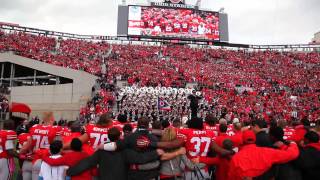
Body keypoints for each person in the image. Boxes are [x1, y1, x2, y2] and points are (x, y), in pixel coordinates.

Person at [67, 127, 162, 180]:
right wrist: (156, 153)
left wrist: (71, 171)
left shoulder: (102, 150)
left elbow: (88, 162)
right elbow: (140, 158)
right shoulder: (125, 150)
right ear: (120, 136)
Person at [228, 130, 299, 180]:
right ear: (255, 139)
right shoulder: (267, 152)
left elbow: (231, 177)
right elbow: (292, 154)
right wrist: (293, 144)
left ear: (242, 141)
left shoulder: (235, 158)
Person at [20, 112, 62, 180]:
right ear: (52, 119)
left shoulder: (34, 127)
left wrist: (19, 153)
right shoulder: (55, 129)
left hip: (29, 160)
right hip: (42, 161)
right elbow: (59, 147)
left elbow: (26, 146)